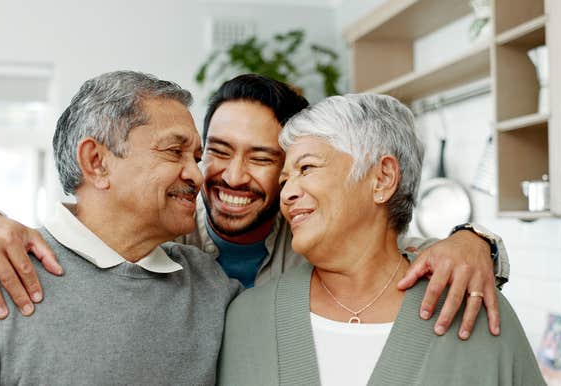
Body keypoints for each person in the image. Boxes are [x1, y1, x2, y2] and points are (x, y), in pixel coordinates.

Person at [0, 74, 508, 339]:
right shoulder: (166, 231)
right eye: (213, 151)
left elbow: (398, 257)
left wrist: (477, 242)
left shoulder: (313, 238)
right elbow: (85, 233)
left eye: (263, 159)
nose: (227, 176)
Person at [0, 71, 241, 385]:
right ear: (96, 162)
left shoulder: (210, 286)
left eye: (195, 158)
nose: (197, 177)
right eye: (174, 151)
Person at [217, 94, 544, 385]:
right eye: (285, 180)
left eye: (307, 168)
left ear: (382, 179)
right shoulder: (248, 318)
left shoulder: (474, 306)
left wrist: (475, 240)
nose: (286, 193)